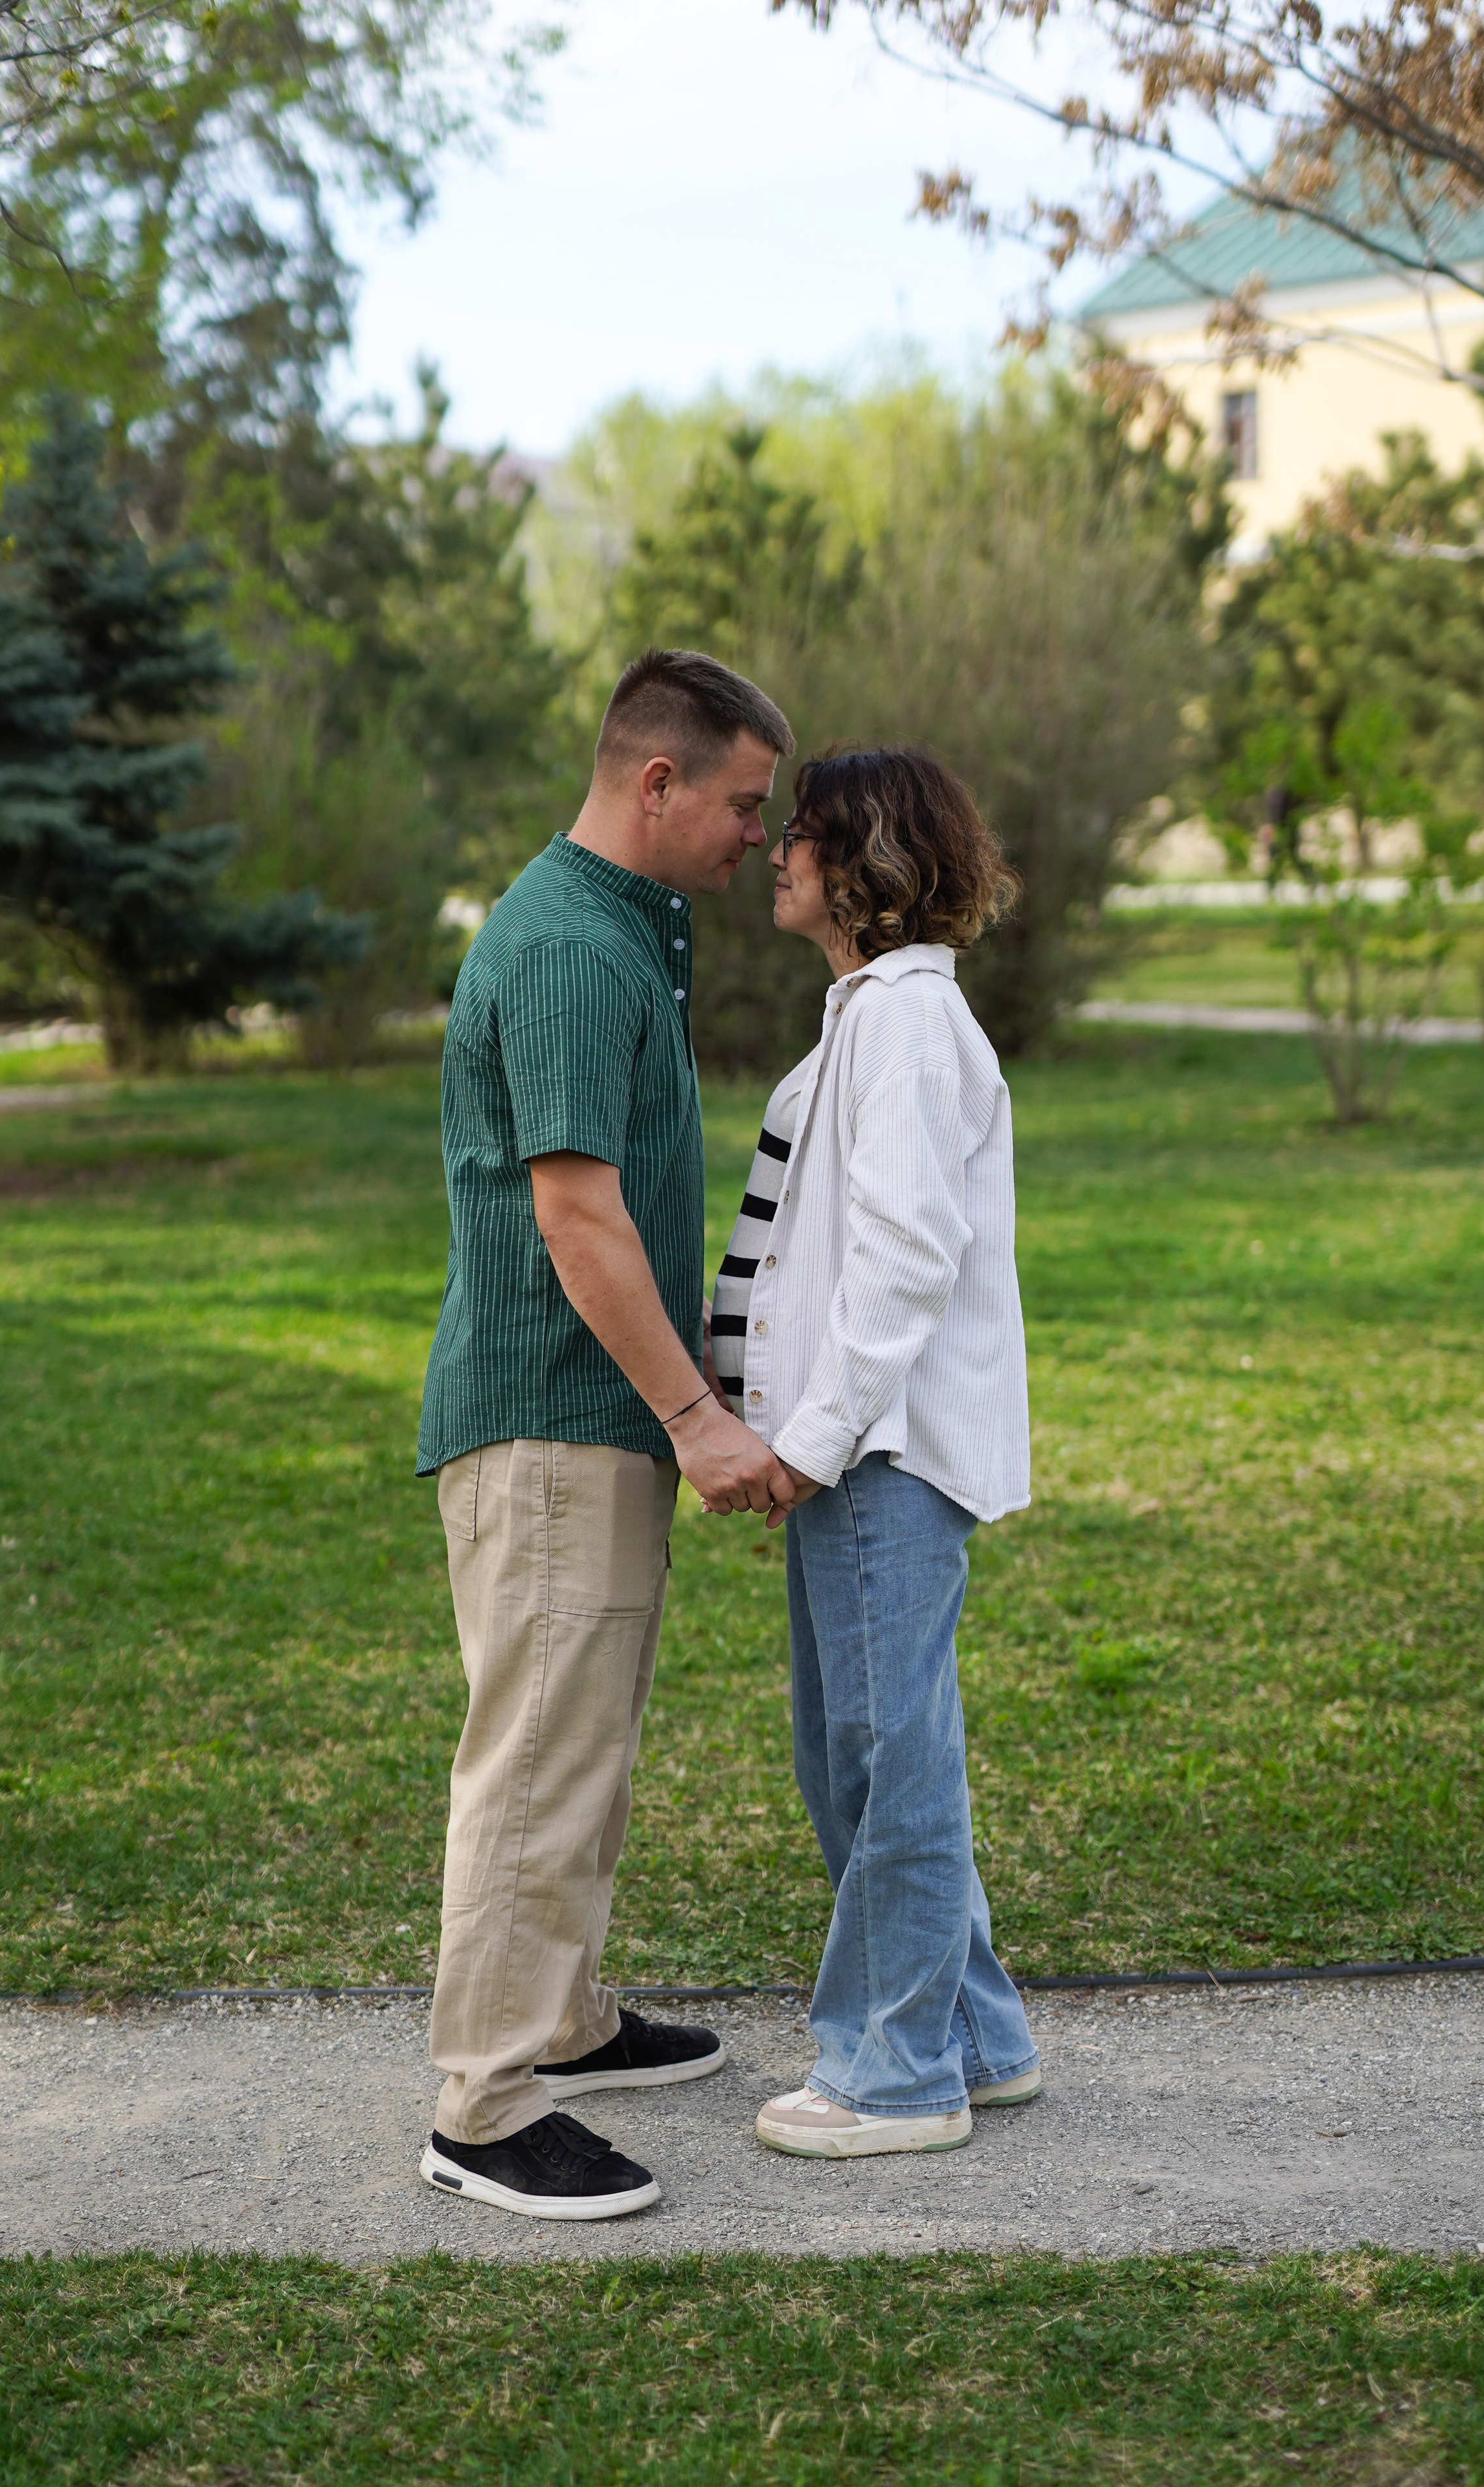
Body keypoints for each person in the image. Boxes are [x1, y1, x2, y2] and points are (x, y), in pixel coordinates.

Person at [415, 647, 804, 2221]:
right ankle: (486, 2107)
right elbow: (575, 1223)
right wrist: (695, 1416)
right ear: (657, 782)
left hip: (589, 1421)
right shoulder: (572, 951)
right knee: (535, 1754)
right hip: (557, 1418)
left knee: (583, 1743)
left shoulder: (608, 927)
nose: (761, 842)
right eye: (742, 804)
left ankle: (558, 2022)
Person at [706, 746, 1042, 2159]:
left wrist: (810, 1442)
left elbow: (902, 1259)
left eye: (800, 834)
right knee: (858, 1757)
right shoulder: (870, 1016)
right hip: (850, 1453)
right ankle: (976, 2035)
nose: (774, 854)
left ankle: (896, 2075)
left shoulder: (902, 1024)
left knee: (884, 1764)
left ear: (864, 864)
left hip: (877, 1456)